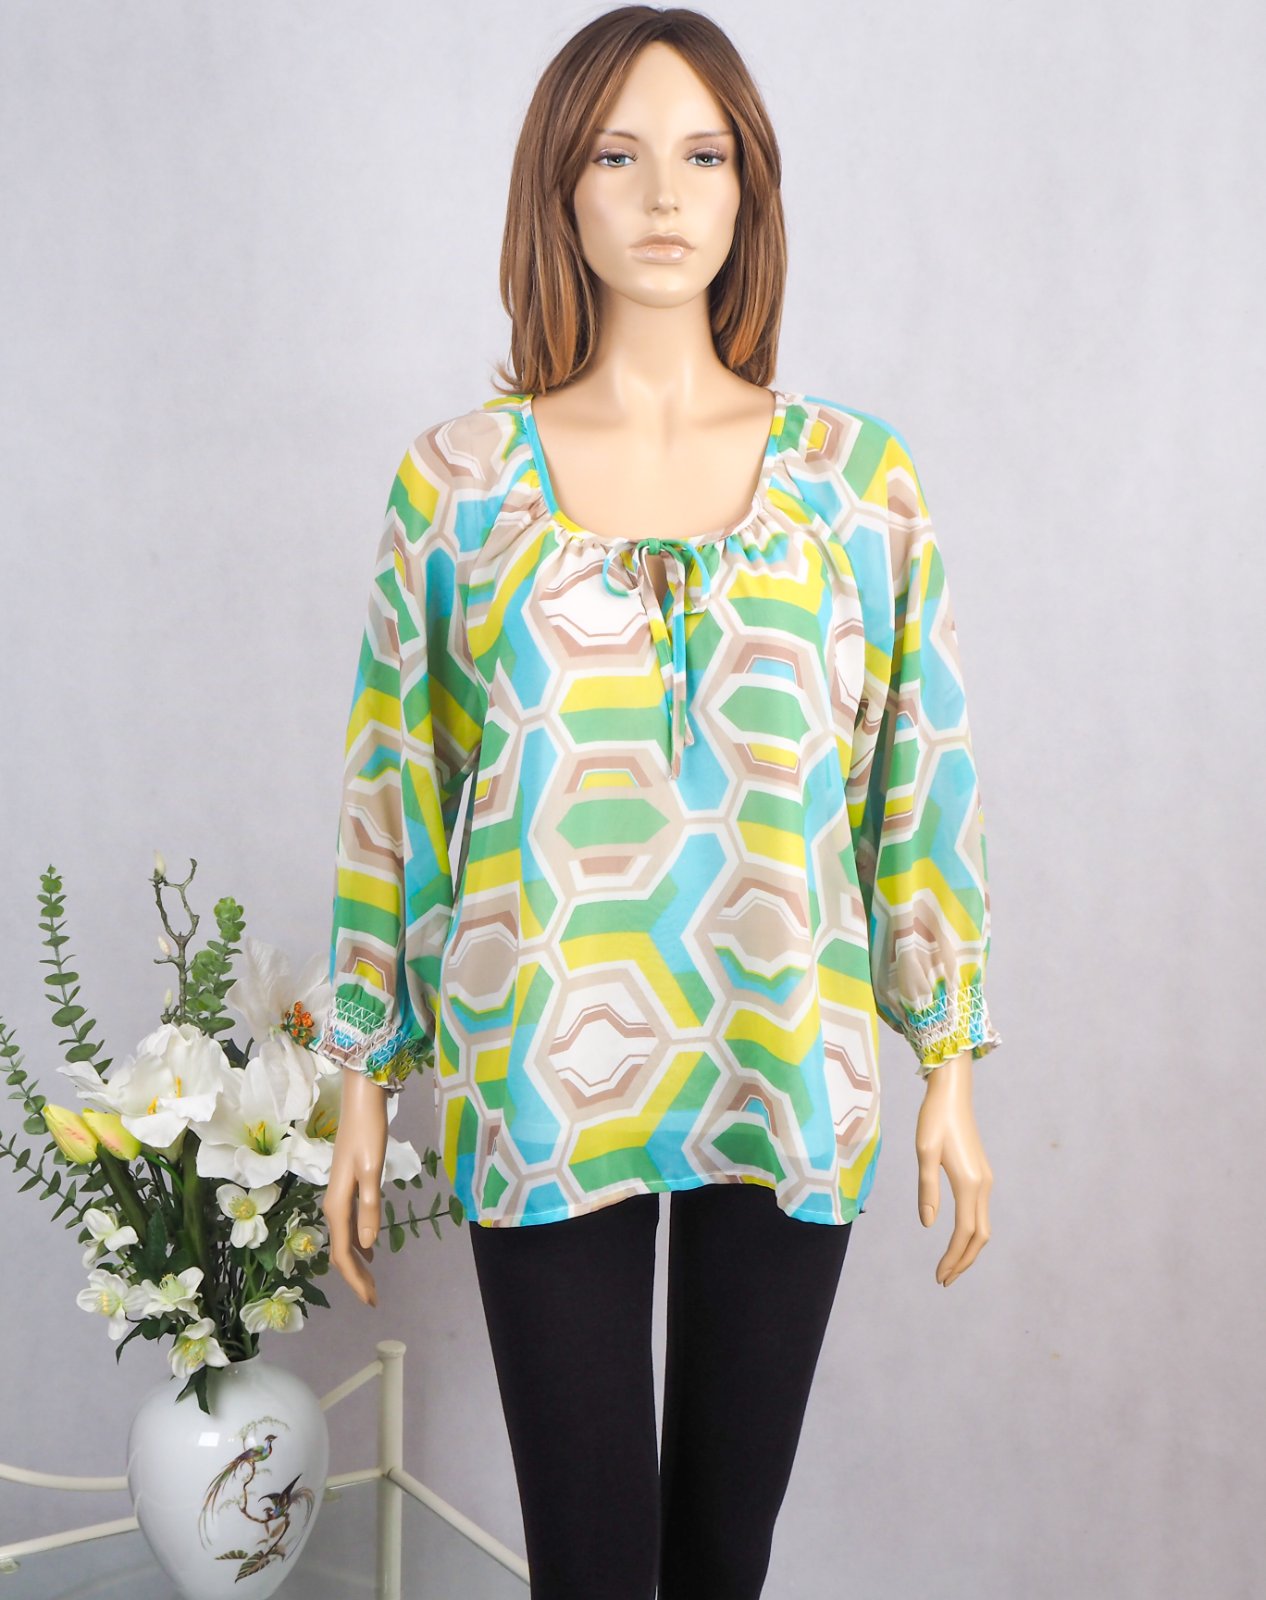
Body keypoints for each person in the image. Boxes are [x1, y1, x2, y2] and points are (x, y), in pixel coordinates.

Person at [317, 8, 1002, 1597]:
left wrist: (949, 1060)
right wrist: (363, 1072)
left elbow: (920, 779)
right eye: (616, 157)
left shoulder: (856, 486)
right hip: (543, 1060)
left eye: (702, 155)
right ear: (557, 189)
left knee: (718, 1558)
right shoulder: (456, 489)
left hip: (784, 1046)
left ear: (750, 187)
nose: (664, 197)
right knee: (590, 1562)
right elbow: (390, 788)